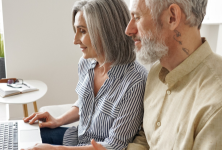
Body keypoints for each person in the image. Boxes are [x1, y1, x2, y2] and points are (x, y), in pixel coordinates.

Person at [92, 0, 222, 149]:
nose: (128, 30)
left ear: (172, 17)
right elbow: (147, 139)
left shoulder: (216, 103)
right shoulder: (155, 73)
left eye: (137, 17)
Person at [22, 0, 147, 150]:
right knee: (24, 137)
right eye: (76, 30)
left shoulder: (135, 81)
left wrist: (56, 149)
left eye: (82, 31)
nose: (75, 40)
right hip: (76, 140)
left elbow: (115, 145)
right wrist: (58, 120)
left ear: (107, 31)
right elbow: (86, 103)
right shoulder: (86, 63)